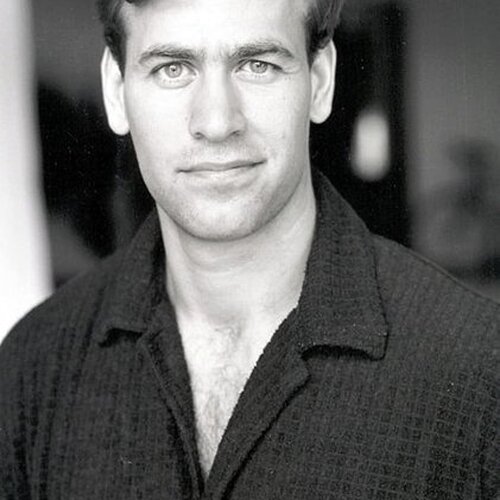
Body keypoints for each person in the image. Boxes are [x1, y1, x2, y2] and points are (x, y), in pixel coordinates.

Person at [0, 0, 498, 498]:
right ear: (116, 90)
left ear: (320, 81)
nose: (217, 122)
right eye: (172, 68)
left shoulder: (479, 371)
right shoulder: (32, 367)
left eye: (257, 65)